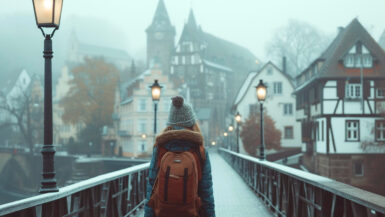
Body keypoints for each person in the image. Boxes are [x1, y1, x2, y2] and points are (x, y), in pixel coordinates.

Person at [144, 96, 215, 217]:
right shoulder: (200, 150)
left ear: (170, 123)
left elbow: (151, 187)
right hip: (192, 212)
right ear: (192, 123)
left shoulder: (160, 148)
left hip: (163, 212)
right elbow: (206, 191)